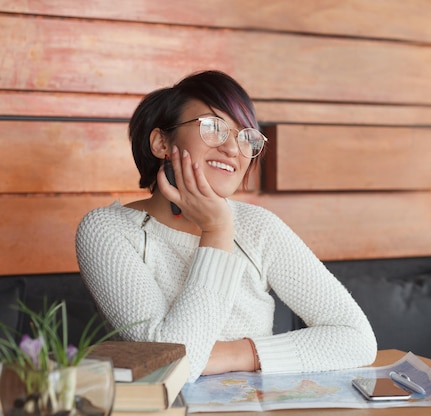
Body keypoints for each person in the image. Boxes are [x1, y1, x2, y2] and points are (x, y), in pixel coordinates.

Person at [75, 70, 377, 382]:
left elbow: (357, 338)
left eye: (246, 136)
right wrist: (216, 232)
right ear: (161, 142)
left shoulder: (258, 226)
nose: (233, 149)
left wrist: (234, 354)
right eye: (213, 127)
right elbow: (166, 366)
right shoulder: (107, 230)